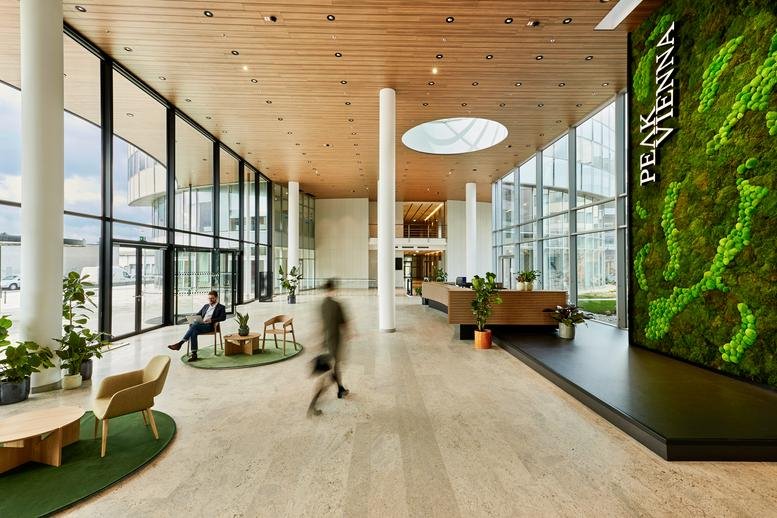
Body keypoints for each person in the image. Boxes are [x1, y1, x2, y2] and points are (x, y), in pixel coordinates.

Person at [308, 278, 350, 416]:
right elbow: (344, 324)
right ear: (334, 289)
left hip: (326, 343)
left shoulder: (322, 305)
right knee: (326, 377)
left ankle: (340, 390)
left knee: (335, 369)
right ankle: (313, 405)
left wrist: (318, 341)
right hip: (334, 343)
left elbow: (320, 325)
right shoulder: (337, 305)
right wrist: (350, 334)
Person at [167, 290, 226, 362]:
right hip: (200, 325)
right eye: (209, 298)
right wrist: (194, 316)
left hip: (210, 326)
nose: (210, 300)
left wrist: (212, 320)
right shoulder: (206, 306)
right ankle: (194, 354)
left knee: (194, 327)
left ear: (216, 298)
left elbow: (223, 318)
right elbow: (198, 314)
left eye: (212, 298)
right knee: (193, 331)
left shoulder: (221, 307)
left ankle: (180, 344)